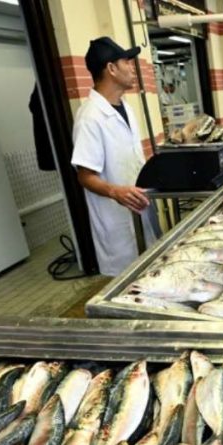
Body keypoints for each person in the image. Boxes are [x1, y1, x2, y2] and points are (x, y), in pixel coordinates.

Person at [71, 37, 158, 276]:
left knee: (148, 275)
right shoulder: (90, 117)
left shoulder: (125, 108)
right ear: (111, 68)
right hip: (116, 222)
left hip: (140, 210)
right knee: (127, 284)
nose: (132, 68)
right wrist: (116, 192)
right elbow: (85, 176)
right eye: (126, 62)